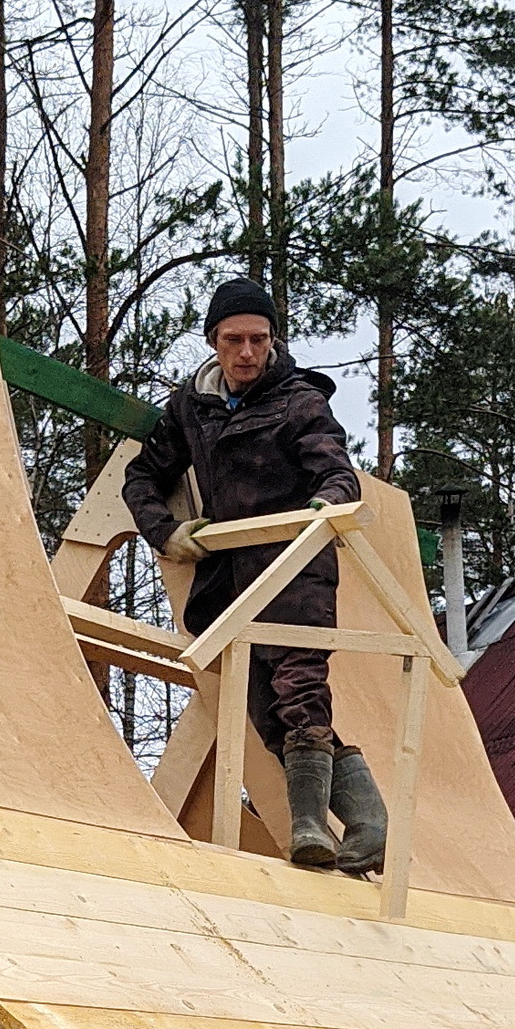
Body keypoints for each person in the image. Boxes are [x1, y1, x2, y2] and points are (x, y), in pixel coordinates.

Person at [122, 278, 389, 873]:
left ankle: (309, 829)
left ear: (273, 341)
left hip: (295, 569)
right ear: (213, 340)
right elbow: (142, 475)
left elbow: (336, 469)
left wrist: (328, 508)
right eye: (234, 339)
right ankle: (369, 820)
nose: (247, 353)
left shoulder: (299, 401)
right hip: (228, 580)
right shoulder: (191, 407)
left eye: (258, 340)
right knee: (267, 714)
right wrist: (166, 532)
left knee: (301, 693)